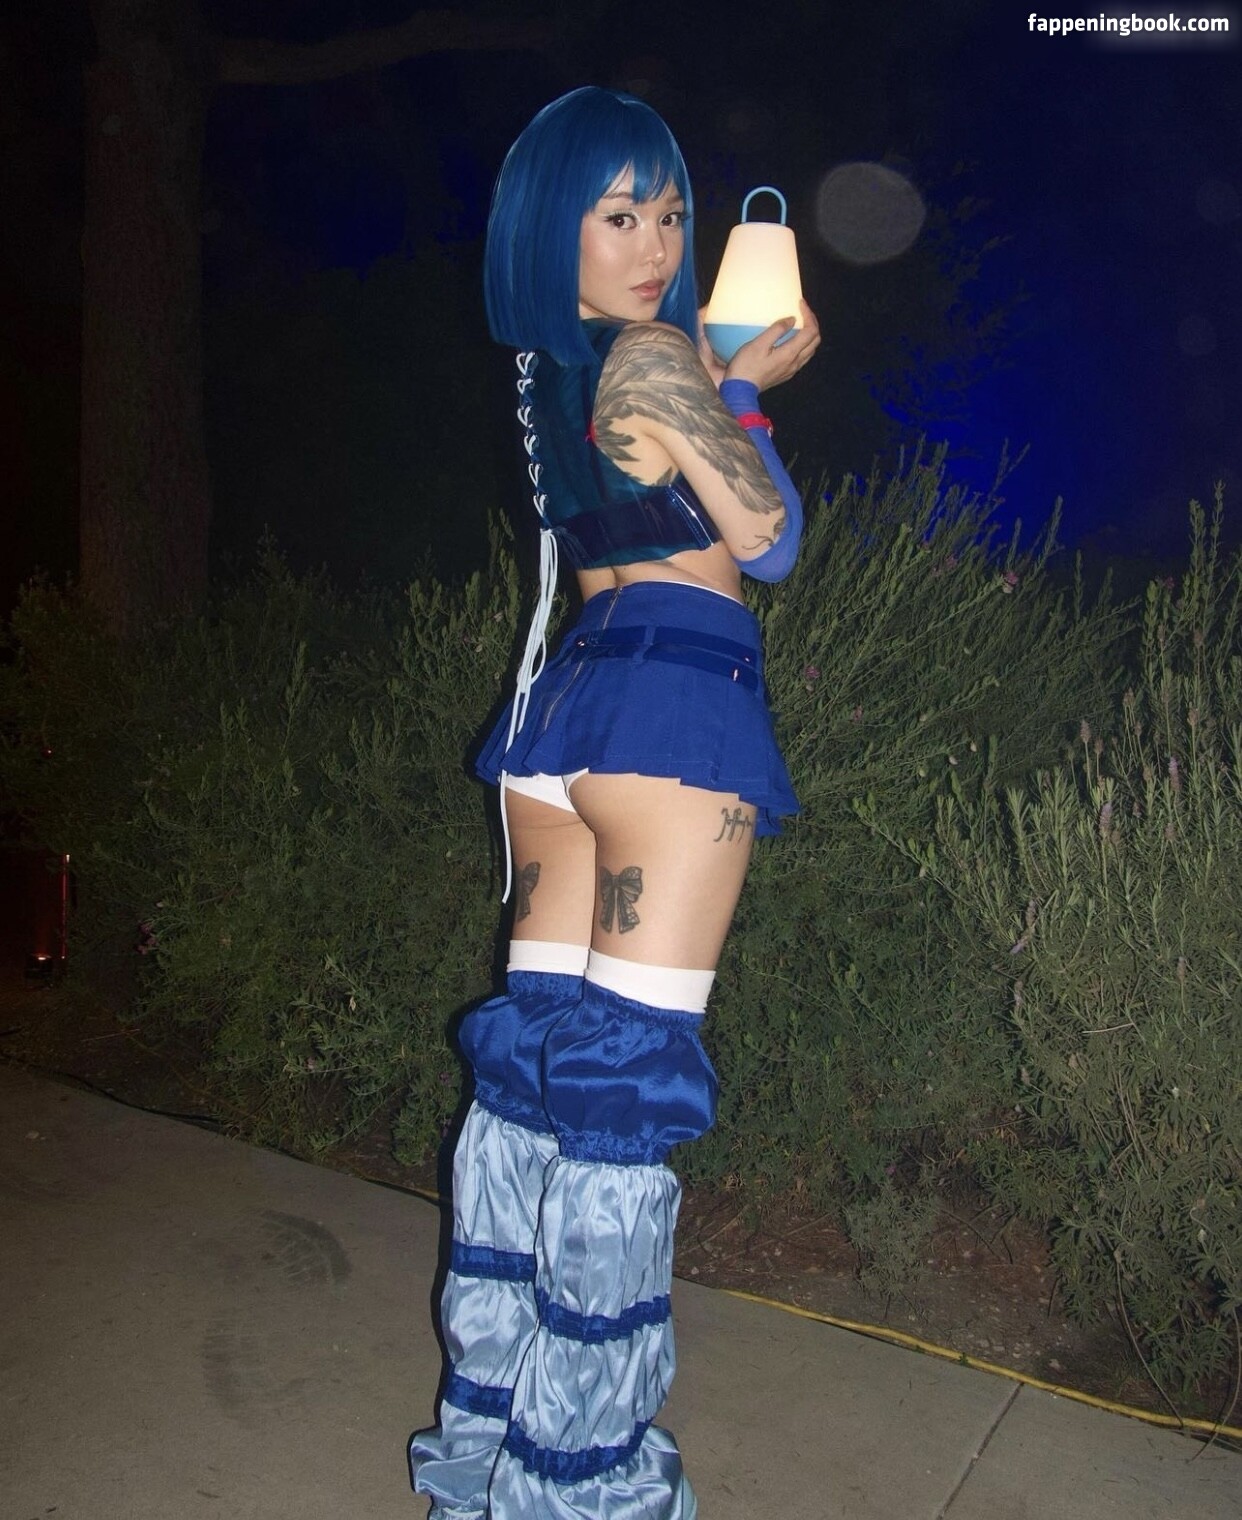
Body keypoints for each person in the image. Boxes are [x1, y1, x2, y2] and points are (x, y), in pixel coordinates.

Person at [409, 85, 820, 1520]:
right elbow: (765, 536)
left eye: (668, 214)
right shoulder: (649, 356)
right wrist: (745, 390)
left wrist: (715, 372)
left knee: (531, 1083)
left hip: (562, 725)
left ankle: (485, 1442)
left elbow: (642, 482)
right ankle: (575, 1482)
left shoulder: (550, 365)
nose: (653, 243)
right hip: (669, 713)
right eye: (619, 213)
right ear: (556, 225)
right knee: (621, 1105)